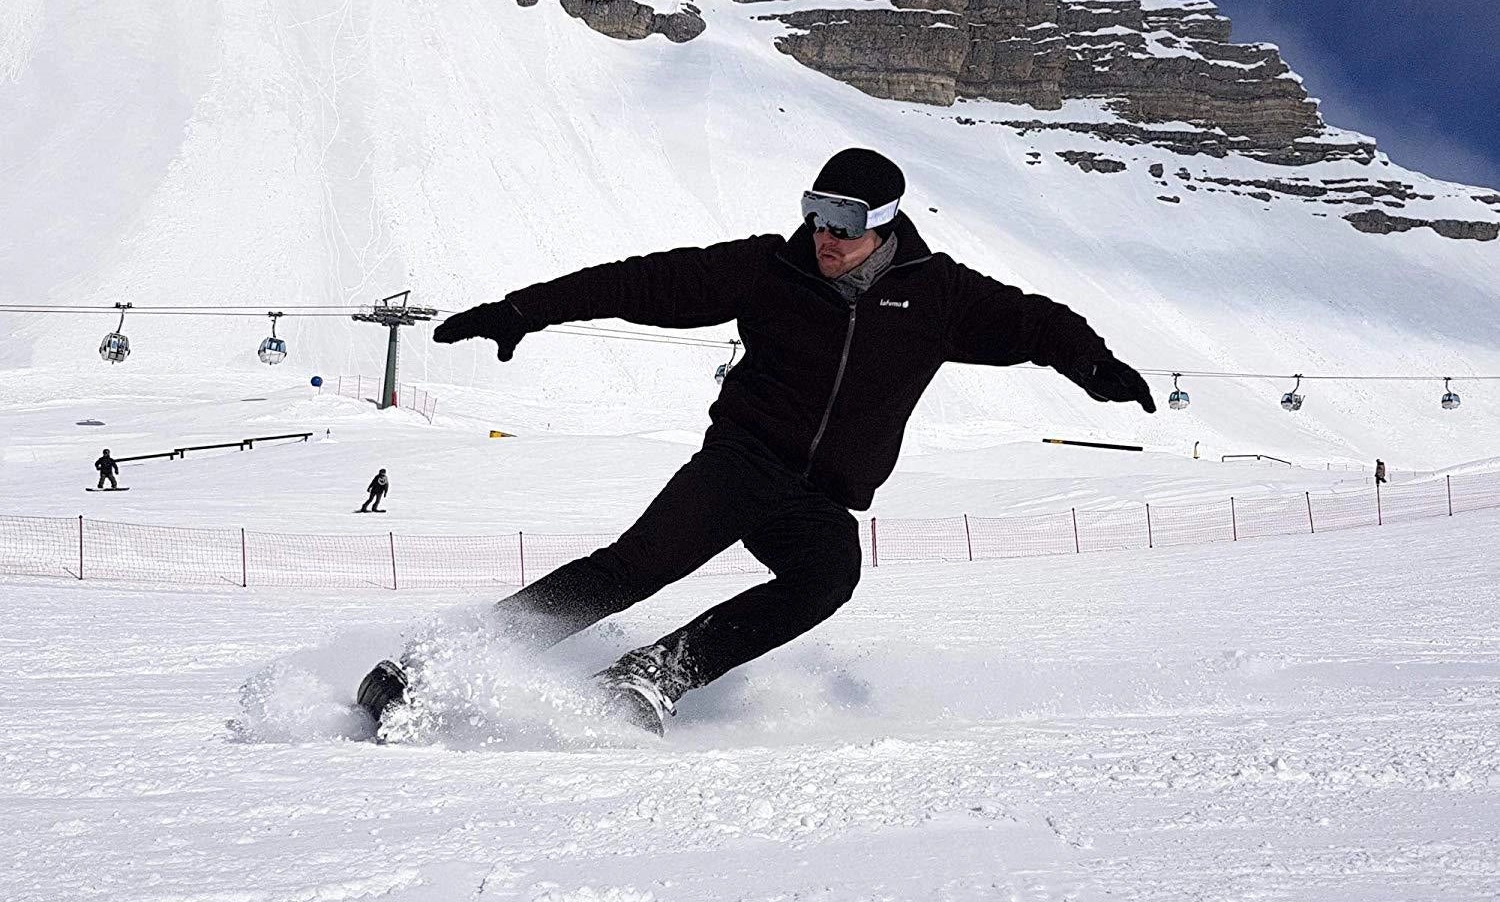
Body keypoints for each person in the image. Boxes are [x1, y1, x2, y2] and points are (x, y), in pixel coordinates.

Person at [357, 148, 1154, 735]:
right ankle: (428, 666)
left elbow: (1038, 321)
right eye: (815, 211)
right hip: (743, 461)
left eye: (843, 222)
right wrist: (522, 310)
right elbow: (642, 282)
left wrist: (1094, 364)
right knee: (634, 569)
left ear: (885, 226)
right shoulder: (769, 271)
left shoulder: (938, 295)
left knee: (828, 574)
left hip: (822, 496)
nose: (823, 235)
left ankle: (652, 675)